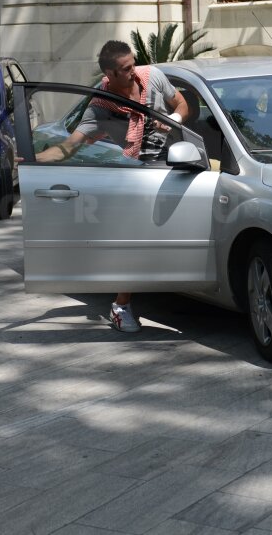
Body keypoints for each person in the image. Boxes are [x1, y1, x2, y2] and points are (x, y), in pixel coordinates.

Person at [36, 40, 189, 333]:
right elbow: (68, 148)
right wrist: (33, 160)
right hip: (139, 173)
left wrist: (173, 119)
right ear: (110, 74)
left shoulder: (152, 77)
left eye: (133, 64)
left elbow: (182, 105)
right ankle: (121, 305)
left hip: (181, 161)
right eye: (126, 68)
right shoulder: (100, 107)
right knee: (135, 238)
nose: (134, 71)